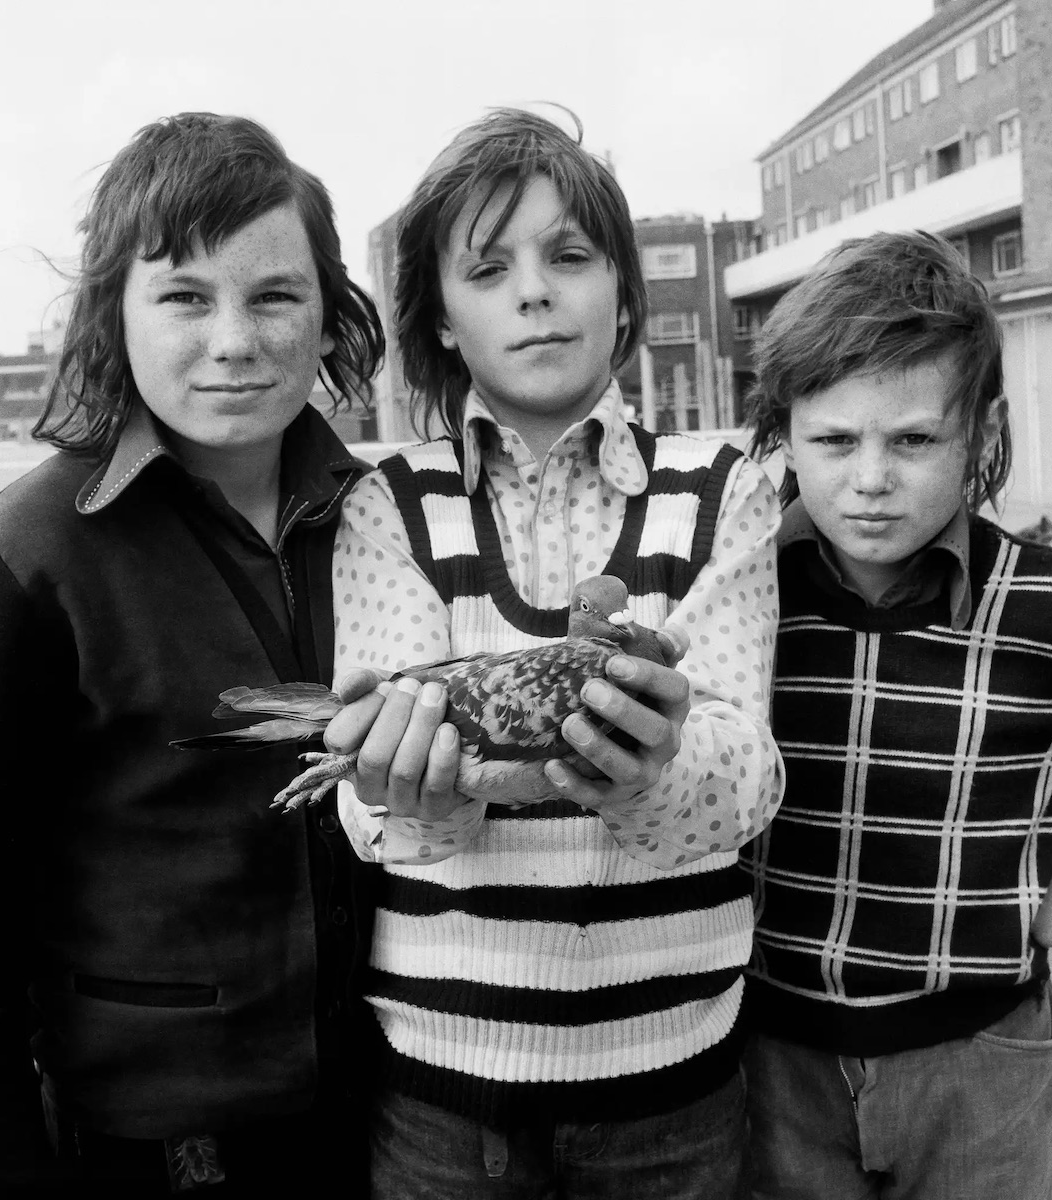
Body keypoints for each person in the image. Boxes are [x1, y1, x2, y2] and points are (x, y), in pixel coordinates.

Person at [322, 108, 785, 1199]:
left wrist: (652, 767)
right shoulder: (386, 508)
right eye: (489, 268)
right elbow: (379, 821)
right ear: (439, 317)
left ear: (624, 295)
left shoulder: (723, 496)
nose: (535, 291)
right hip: (443, 1093)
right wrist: (406, 788)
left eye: (569, 257)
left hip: (670, 1089)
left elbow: (746, 776)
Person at [0, 112, 385, 1197]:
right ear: (117, 313)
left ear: (331, 315)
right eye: (185, 297)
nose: (234, 340)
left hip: (387, 1127)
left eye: (275, 296)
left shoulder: (390, 527)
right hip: (157, 1153)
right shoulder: (29, 552)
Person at [741, 229, 1052, 1200]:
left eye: (915, 439)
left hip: (984, 1074)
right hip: (770, 1070)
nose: (872, 479)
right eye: (835, 440)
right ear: (785, 429)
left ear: (983, 431)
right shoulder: (737, 599)